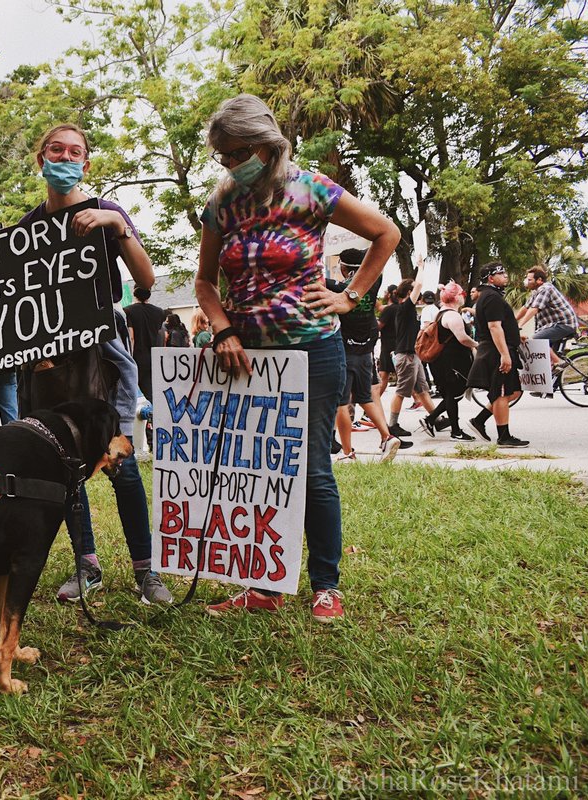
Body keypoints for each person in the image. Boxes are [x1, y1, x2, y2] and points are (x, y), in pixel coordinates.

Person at [194, 94, 399, 622]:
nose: (230, 164)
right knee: (258, 471)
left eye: (237, 153)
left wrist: (349, 295)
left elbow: (386, 233)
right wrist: (221, 331)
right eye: (222, 157)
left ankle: (325, 585)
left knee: (310, 470)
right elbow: (204, 281)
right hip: (247, 360)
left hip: (312, 350)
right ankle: (262, 585)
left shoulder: (310, 189)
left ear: (266, 145)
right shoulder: (221, 203)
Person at [18, 122, 172, 606]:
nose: (65, 157)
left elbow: (145, 280)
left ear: (86, 163)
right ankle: (87, 564)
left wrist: (117, 227)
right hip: (47, 368)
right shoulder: (25, 228)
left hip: (101, 364)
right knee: (66, 468)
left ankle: (146, 571)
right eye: (56, 150)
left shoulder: (107, 211)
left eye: (75, 152)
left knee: (120, 465)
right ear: (41, 159)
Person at [327, 248, 407, 463]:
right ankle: (387, 436)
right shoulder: (375, 281)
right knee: (366, 397)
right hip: (365, 351)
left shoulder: (339, 288)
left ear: (344, 268)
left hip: (345, 350)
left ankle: (347, 452)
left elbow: (321, 285)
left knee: (341, 403)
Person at [466, 262, 528, 447]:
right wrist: (504, 354)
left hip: (498, 349)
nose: (505, 275)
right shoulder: (491, 297)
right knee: (501, 393)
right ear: (490, 278)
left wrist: (516, 335)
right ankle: (504, 436)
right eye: (501, 273)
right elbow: (494, 326)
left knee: (514, 391)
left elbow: (499, 325)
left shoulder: (489, 296)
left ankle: (479, 420)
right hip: (496, 352)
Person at [418, 281, 478, 440]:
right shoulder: (452, 315)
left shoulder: (441, 312)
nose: (464, 296)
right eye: (462, 294)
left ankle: (444, 425)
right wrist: (478, 345)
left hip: (443, 361)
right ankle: (449, 428)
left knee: (451, 395)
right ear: (456, 297)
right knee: (454, 395)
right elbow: (463, 338)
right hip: (452, 362)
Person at [387, 277, 436, 436]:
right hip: (406, 356)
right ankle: (392, 425)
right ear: (410, 292)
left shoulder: (408, 309)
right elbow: (420, 283)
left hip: (412, 355)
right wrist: (421, 267)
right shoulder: (405, 308)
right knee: (401, 391)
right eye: (415, 290)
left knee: (423, 390)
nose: (419, 292)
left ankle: (436, 418)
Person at [516, 265, 579, 370]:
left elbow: (534, 309)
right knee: (546, 357)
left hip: (564, 324)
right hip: (554, 326)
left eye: (530, 279)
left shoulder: (546, 289)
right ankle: (554, 379)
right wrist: (514, 320)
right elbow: (526, 307)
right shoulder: (535, 292)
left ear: (539, 280)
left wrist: (520, 325)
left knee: (536, 340)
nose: (527, 282)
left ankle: (558, 361)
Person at [123, 286, 166, 397]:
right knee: (152, 389)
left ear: (134, 293)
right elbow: (159, 333)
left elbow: (131, 337)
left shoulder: (128, 311)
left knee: (133, 391)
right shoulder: (160, 312)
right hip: (155, 356)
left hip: (137, 356)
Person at [375, 285, 399, 400]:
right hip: (398, 344)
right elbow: (380, 307)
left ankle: (374, 401)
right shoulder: (399, 307)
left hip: (388, 346)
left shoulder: (389, 309)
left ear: (389, 294)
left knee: (383, 375)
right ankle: (418, 397)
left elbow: (379, 326)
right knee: (402, 375)